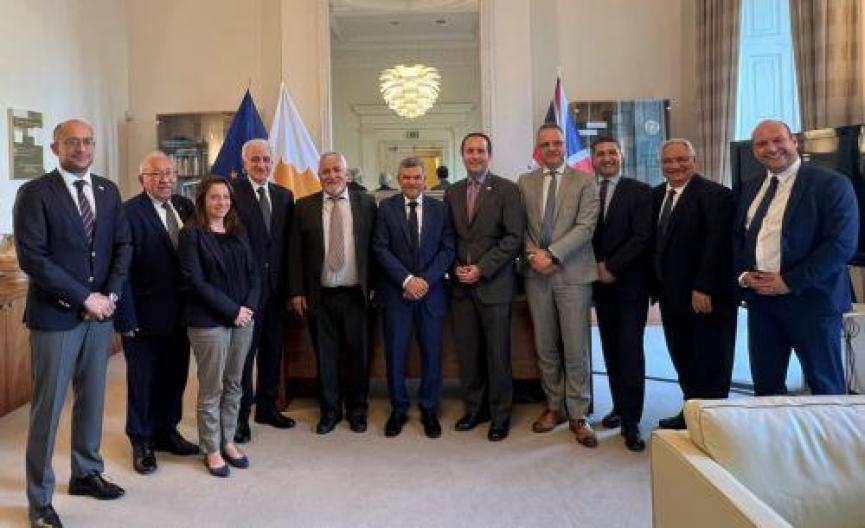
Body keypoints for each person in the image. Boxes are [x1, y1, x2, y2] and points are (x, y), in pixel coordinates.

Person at [14, 118, 131, 527]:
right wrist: (85, 297)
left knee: (93, 398)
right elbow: (33, 258)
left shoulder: (108, 190)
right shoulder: (35, 193)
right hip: (55, 318)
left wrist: (109, 296)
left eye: (87, 142)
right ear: (55, 148)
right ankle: (40, 500)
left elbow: (123, 246)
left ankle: (86, 473)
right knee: (48, 409)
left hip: (100, 317)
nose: (81, 149)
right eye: (72, 142)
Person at [733, 119, 858, 395]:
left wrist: (788, 282)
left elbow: (841, 245)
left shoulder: (832, 184)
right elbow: (737, 238)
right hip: (762, 303)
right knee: (766, 386)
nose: (771, 148)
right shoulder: (750, 187)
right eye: (762, 144)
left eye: (778, 140)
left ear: (794, 142)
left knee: (825, 387)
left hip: (813, 302)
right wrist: (743, 275)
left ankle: (830, 428)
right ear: (754, 151)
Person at [114, 151, 199, 476]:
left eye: (169, 173)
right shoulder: (128, 213)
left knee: (175, 376)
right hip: (144, 315)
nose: (165, 179)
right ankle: (141, 441)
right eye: (156, 174)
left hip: (182, 314)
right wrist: (125, 317)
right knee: (143, 382)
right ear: (142, 180)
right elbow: (121, 269)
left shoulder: (185, 207)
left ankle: (167, 431)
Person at [517, 124, 599, 448]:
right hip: (536, 275)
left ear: (565, 146)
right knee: (545, 345)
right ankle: (554, 406)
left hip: (573, 274)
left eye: (557, 143)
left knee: (576, 347)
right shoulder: (525, 182)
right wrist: (533, 255)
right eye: (545, 144)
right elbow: (520, 227)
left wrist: (552, 254)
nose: (552, 148)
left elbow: (586, 227)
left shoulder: (585, 180)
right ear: (538, 149)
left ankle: (578, 413)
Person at [288, 152, 377, 435]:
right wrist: (296, 290)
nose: (332, 176)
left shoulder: (367, 203)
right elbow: (294, 253)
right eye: (325, 171)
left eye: (337, 170)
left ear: (346, 174)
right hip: (320, 295)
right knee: (326, 356)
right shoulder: (303, 206)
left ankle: (358, 410)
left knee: (358, 356)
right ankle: (330, 411)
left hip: (356, 295)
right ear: (319, 176)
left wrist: (375, 286)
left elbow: (375, 248)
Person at [652, 139, 737, 430]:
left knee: (711, 359)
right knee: (683, 357)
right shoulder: (656, 195)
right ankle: (691, 411)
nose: (675, 166)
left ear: (694, 160)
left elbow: (718, 245)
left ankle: (714, 422)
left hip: (705, 296)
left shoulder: (717, 194)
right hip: (670, 295)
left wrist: (705, 287)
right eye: (668, 161)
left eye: (682, 159)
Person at [444, 132, 524, 442]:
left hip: (494, 285)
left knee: (497, 354)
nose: (475, 156)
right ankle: (475, 410)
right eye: (470, 151)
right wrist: (455, 267)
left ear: (489, 155)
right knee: (469, 354)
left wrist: (482, 268)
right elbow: (448, 237)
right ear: (462, 155)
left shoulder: (507, 189)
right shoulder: (452, 192)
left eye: (480, 151)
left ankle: (500, 415)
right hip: (461, 287)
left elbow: (513, 238)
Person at [179, 176, 259, 477]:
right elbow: (195, 282)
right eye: (215, 197)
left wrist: (248, 308)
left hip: (243, 320)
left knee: (235, 384)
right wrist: (233, 310)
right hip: (208, 322)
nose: (221, 202)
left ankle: (228, 441)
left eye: (226, 197)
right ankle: (211, 448)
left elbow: (254, 274)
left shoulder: (238, 229)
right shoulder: (191, 234)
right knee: (212, 388)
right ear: (202, 199)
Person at [373, 157, 455, 438]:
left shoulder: (440, 210)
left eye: (417, 177)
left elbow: (447, 250)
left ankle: (429, 408)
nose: (412, 182)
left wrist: (424, 281)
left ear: (424, 180)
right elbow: (380, 248)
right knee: (395, 353)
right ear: (399, 180)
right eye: (406, 177)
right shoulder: (386, 208)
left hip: (431, 294)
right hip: (397, 293)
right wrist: (407, 280)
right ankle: (398, 408)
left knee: (432, 353)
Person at [590, 136, 652, 452]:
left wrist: (611, 266)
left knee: (630, 351)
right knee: (611, 349)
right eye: (600, 153)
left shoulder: (640, 191)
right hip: (599, 287)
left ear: (621, 156)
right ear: (593, 159)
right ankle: (618, 406)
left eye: (612, 152)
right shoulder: (588, 191)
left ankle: (632, 421)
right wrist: (596, 268)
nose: (606, 158)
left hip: (630, 284)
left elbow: (642, 237)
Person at [231, 139, 295, 443]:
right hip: (245, 291)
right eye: (255, 160)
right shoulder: (231, 193)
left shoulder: (284, 196)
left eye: (266, 159)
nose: (261, 165)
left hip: (277, 289)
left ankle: (267, 407)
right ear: (244, 163)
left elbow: (288, 246)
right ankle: (240, 417)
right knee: (244, 357)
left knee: (272, 351)